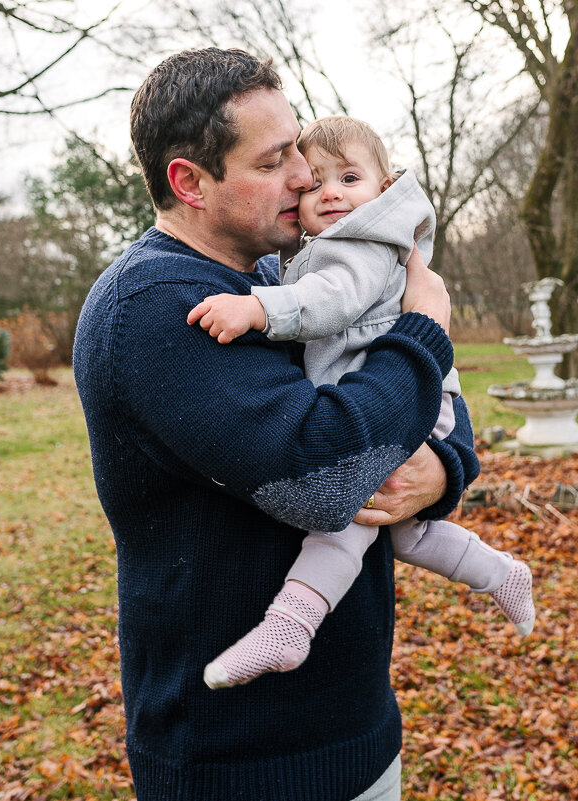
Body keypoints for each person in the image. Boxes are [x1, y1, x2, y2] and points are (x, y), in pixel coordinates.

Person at [73, 48, 479, 801]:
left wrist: (440, 470)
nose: (303, 174)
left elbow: (426, 407)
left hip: (355, 731)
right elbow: (326, 473)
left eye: (298, 146)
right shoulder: (155, 310)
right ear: (190, 182)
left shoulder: (280, 281)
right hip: (239, 762)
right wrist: (425, 332)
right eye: (273, 161)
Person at [187, 115, 535, 690]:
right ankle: (500, 573)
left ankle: (289, 626)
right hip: (403, 399)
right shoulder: (328, 247)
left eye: (349, 178)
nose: (331, 193)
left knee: (346, 517)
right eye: (313, 183)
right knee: (408, 532)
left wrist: (257, 309)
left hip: (406, 402)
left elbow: (331, 299)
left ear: (384, 186)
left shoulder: (365, 244)